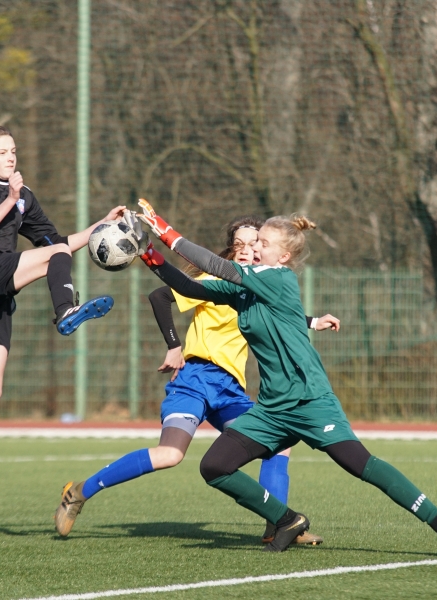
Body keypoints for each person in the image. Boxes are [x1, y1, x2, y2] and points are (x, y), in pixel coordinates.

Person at [135, 199, 437, 553]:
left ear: (282, 257)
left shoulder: (278, 279)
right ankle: (286, 520)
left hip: (310, 401)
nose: (252, 248)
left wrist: (167, 231)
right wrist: (148, 253)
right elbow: (189, 288)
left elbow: (216, 265)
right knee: (215, 467)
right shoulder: (245, 289)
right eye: (251, 242)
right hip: (273, 409)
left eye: (261, 243)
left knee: (362, 465)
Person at [53, 216, 339, 546]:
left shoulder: (257, 285)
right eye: (240, 244)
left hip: (230, 389)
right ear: (231, 250)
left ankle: (279, 526)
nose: (247, 250)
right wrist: (174, 346)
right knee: (170, 455)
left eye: (254, 243)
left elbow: (281, 314)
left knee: (279, 447)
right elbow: (161, 295)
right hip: (196, 380)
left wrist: (313, 321)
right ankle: (78, 492)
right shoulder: (213, 279)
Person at [0, 126, 124, 524]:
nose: (11, 157)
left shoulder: (25, 196)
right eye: (2, 151)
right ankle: (66, 312)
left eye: (14, 150)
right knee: (51, 256)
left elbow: (59, 243)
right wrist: (11, 199)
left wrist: (99, 228)